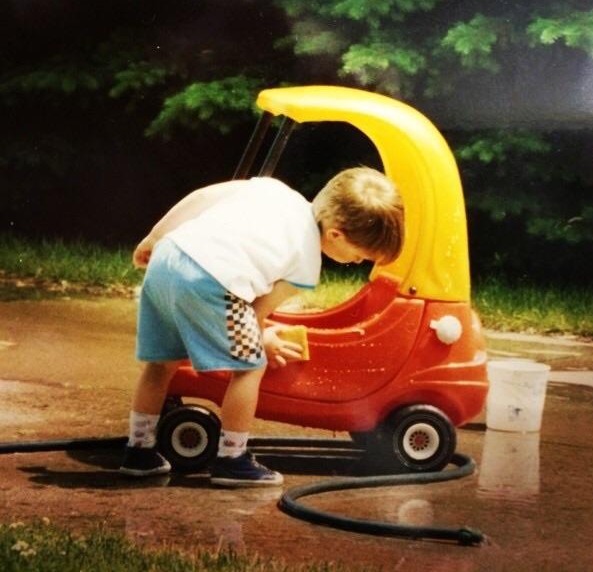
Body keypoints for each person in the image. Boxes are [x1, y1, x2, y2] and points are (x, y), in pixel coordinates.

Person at [119, 166, 404, 486]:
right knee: (250, 367)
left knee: (161, 364)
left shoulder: (273, 190)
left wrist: (155, 237)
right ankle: (232, 459)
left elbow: (200, 198)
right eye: (359, 256)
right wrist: (261, 341)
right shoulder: (306, 265)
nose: (357, 262)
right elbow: (255, 313)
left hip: (167, 258)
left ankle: (139, 452)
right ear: (336, 234)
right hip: (210, 282)